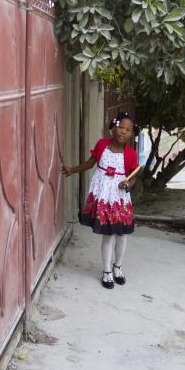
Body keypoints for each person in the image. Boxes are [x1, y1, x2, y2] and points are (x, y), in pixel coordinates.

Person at [62, 112, 139, 288]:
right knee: (108, 234)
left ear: (131, 134)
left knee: (122, 235)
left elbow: (133, 175)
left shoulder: (131, 154)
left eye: (128, 130)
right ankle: (106, 271)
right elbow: (90, 164)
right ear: (113, 126)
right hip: (104, 196)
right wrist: (72, 170)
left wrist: (128, 184)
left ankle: (117, 267)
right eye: (120, 127)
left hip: (119, 198)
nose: (123, 132)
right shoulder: (102, 145)